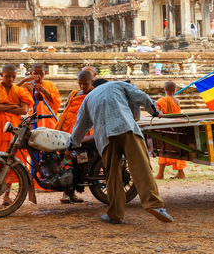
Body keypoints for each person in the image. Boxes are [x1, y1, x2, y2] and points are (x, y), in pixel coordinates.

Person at [69, 80, 173, 224]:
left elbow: (80, 126)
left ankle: (115, 214)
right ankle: (154, 204)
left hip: (104, 137)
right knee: (141, 166)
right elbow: (140, 96)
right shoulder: (117, 84)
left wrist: (72, 145)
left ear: (93, 87)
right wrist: (154, 111)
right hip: (126, 128)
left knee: (112, 174)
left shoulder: (87, 99)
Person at [0, 64, 34, 207]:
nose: (10, 79)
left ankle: (7, 196)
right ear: (1, 74)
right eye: (7, 76)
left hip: (14, 131)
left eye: (13, 77)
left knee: (11, 162)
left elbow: (24, 110)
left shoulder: (19, 91)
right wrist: (13, 106)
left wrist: (3, 106)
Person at [54, 70, 95, 204]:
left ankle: (73, 191)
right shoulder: (73, 94)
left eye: (85, 84)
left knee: (81, 162)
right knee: (67, 160)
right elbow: (66, 109)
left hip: (85, 133)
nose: (82, 87)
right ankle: (66, 191)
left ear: (92, 82)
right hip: (69, 131)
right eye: (80, 84)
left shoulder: (95, 94)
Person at [153, 82, 186, 180]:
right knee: (177, 150)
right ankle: (181, 173)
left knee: (163, 150)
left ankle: (160, 174)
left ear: (164, 89)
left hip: (166, 128)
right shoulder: (177, 101)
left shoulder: (161, 100)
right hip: (176, 128)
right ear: (175, 90)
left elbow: (158, 114)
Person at [19, 63, 60, 129]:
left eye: (41, 73)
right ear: (31, 73)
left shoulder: (50, 84)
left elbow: (57, 104)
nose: (38, 76)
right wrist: (25, 80)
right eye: (35, 73)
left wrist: (44, 91)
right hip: (31, 115)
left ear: (45, 73)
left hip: (48, 116)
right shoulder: (27, 85)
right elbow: (13, 91)